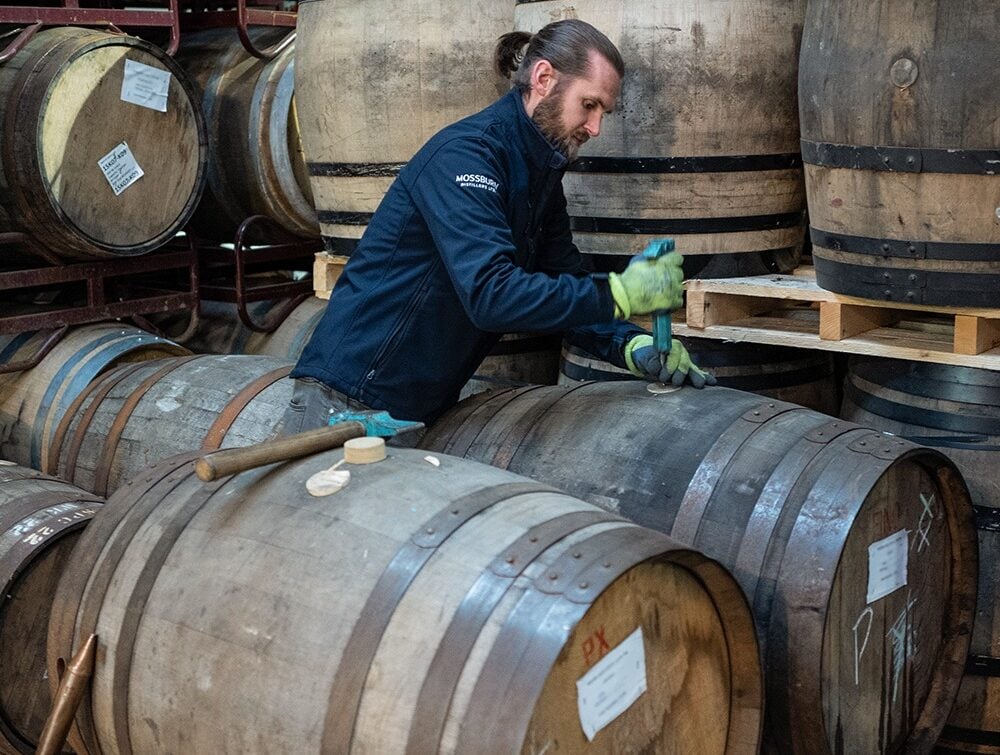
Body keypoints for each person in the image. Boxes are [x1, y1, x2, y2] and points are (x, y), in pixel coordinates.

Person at [283, 19, 714, 435]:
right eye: (589, 105)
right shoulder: (466, 157)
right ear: (544, 78)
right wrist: (620, 294)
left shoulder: (540, 176)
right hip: (344, 401)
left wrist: (627, 344)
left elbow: (559, 285)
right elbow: (493, 296)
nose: (596, 127)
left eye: (604, 111)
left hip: (414, 411)